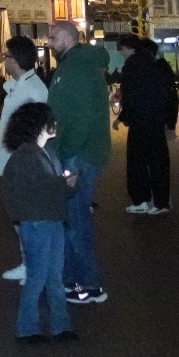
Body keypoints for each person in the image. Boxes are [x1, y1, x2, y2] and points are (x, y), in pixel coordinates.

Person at [1, 101, 78, 343]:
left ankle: (56, 325)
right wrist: (63, 185)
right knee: (40, 276)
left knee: (50, 275)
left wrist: (63, 186)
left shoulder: (39, 153)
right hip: (39, 222)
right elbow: (36, 190)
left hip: (47, 221)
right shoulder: (28, 156)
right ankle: (30, 328)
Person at [46, 21, 110, 306]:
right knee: (71, 218)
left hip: (78, 154)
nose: (48, 42)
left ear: (67, 38)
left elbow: (80, 118)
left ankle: (89, 285)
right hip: (79, 152)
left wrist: (68, 155)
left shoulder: (77, 68)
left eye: (52, 37)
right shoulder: (76, 65)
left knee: (75, 220)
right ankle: (72, 280)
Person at [0, 35, 48, 282]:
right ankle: (28, 263)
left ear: (15, 60)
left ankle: (35, 267)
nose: (4, 61)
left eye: (6, 57)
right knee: (19, 218)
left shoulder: (33, 90)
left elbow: (34, 131)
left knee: (28, 219)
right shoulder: (23, 86)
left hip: (23, 165)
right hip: (12, 162)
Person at [116, 36, 178, 216]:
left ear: (130, 48)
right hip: (156, 121)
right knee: (159, 162)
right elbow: (169, 96)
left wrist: (123, 117)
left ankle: (141, 200)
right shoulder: (159, 66)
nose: (122, 53)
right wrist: (171, 123)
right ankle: (161, 201)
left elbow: (130, 96)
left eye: (122, 50)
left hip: (139, 121)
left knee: (137, 163)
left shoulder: (132, 66)